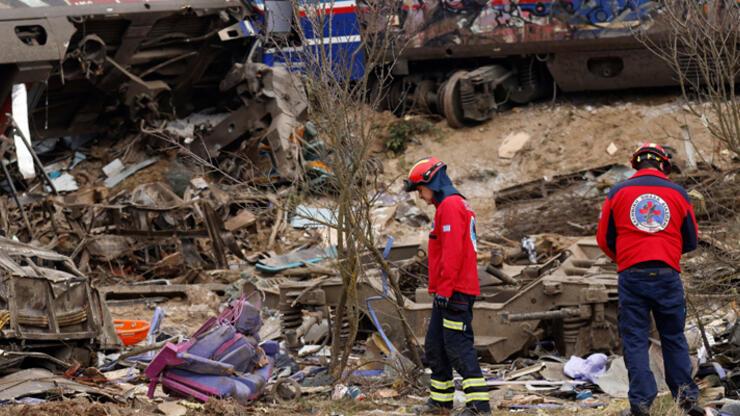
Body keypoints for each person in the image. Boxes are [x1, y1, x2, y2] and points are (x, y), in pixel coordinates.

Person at [596, 143, 702, 416]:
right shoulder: (678, 193)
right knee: (673, 336)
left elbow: (604, 238)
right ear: (664, 164)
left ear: (636, 164)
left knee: (635, 340)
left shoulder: (617, 192)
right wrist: (667, 253)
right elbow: (691, 238)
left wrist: (624, 259)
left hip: (632, 275)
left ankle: (641, 404)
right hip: (667, 274)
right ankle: (687, 400)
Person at [404, 157, 491, 416]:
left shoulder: (451, 206)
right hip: (449, 290)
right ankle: (440, 403)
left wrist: (445, 290)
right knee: (435, 346)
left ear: (432, 181)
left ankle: (479, 406)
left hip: (455, 292)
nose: (420, 197)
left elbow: (452, 252)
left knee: (457, 347)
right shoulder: (452, 205)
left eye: (420, 189)